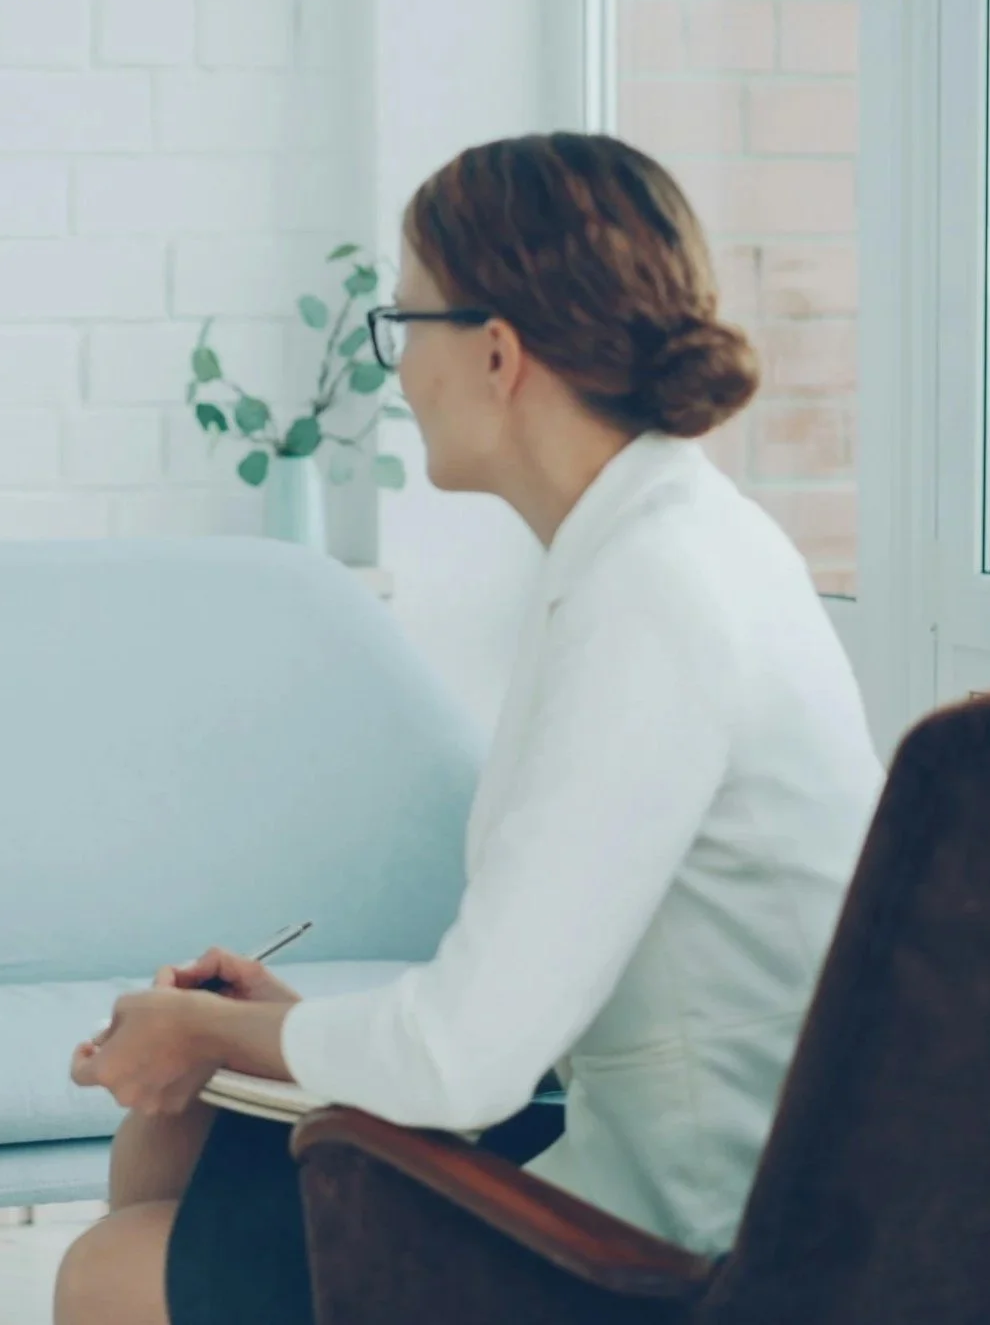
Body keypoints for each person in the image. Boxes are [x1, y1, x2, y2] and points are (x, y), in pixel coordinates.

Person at [55, 131, 886, 1325]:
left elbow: (468, 1061)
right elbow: (536, 997)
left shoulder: (653, 593)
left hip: (692, 1239)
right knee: (170, 1133)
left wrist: (211, 1026)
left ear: (495, 352)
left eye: (405, 324)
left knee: (110, 1275)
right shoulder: (656, 539)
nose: (396, 371)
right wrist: (252, 1031)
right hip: (662, 1154)